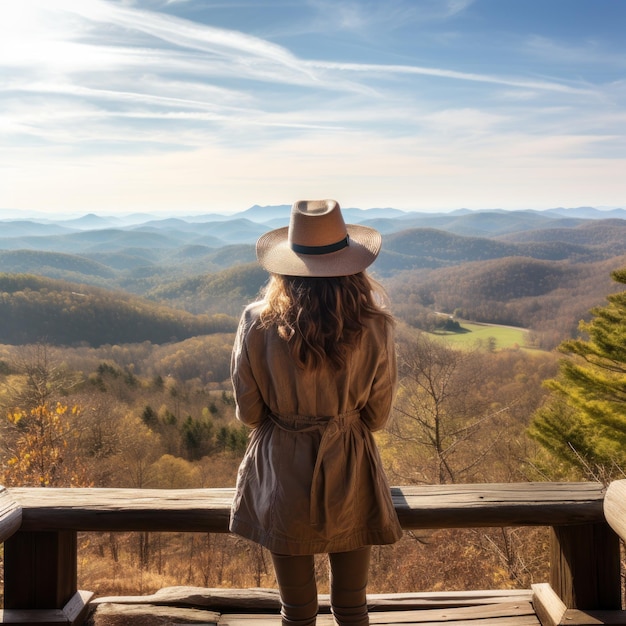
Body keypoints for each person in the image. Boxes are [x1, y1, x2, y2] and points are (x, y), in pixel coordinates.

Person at [229, 199, 402, 626]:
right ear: (353, 264)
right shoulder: (376, 325)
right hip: (350, 465)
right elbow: (377, 417)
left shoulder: (256, 321)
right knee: (351, 606)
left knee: (296, 611)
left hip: (282, 469)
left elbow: (249, 413)